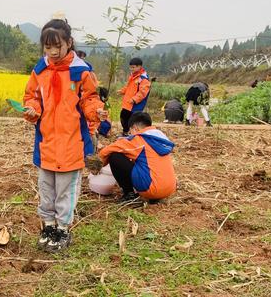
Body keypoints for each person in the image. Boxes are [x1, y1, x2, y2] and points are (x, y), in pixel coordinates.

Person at [23, 19, 107, 253]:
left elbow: (90, 99)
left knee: (66, 189)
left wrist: (96, 111)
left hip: (72, 141)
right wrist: (32, 110)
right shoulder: (40, 70)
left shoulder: (81, 72)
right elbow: (32, 97)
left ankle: (62, 228)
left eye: (56, 46)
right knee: (46, 187)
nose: (51, 52)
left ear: (69, 43)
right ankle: (48, 226)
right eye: (47, 47)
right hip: (46, 141)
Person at [95, 112, 176, 204]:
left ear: (135, 128)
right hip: (169, 189)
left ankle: (129, 194)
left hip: (151, 189)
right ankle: (155, 197)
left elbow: (109, 149)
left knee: (115, 156)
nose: (131, 134)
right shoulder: (159, 137)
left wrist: (98, 164)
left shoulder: (139, 139)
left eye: (131, 131)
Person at [117, 57, 151, 135]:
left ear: (139, 67)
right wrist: (122, 91)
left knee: (133, 120)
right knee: (123, 116)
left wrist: (134, 99)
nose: (131, 69)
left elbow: (143, 92)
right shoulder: (132, 76)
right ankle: (126, 132)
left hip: (136, 105)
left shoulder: (143, 79)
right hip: (128, 103)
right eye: (130, 67)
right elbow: (128, 87)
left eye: (133, 67)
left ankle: (133, 133)